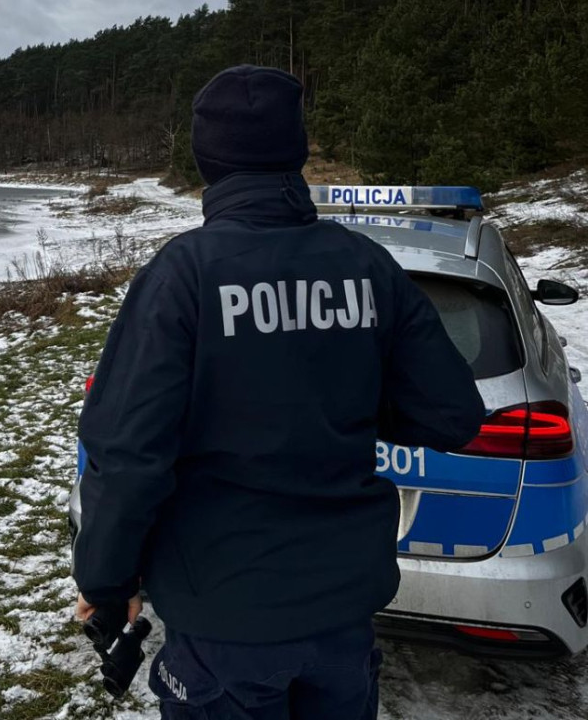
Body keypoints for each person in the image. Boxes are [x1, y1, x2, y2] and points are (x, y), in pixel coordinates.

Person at [71, 65, 485, 719]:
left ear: (209, 161)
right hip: (342, 618)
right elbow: (454, 413)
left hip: (223, 622)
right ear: (295, 151)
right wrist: (338, 400)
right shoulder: (366, 265)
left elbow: (126, 456)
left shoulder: (184, 274)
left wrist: (105, 579)